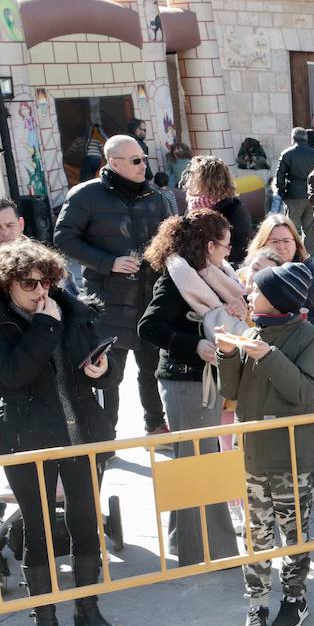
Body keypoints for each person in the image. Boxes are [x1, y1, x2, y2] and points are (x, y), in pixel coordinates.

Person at [0, 239, 118, 626]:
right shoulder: (9, 321)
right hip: (26, 440)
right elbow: (13, 374)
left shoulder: (73, 310)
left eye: (47, 281)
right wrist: (45, 326)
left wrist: (102, 372)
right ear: (8, 284)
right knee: (39, 527)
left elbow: (102, 366)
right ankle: (44, 618)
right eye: (29, 283)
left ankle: (88, 608)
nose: (40, 291)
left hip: (80, 433)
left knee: (86, 521)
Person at [214, 262, 314, 626]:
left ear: (277, 300)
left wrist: (268, 356)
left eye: (256, 291)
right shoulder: (253, 331)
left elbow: (307, 395)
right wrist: (228, 353)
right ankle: (257, 604)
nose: (248, 295)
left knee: (294, 534)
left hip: (292, 458)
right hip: (253, 456)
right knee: (255, 534)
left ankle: (295, 598)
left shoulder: (309, 336)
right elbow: (231, 392)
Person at [138, 210, 241, 566]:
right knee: (198, 464)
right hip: (184, 379)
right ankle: (205, 552)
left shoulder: (208, 274)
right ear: (210, 245)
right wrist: (195, 343)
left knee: (196, 462)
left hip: (200, 379)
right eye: (226, 245)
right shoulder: (176, 277)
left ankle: (191, 548)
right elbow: (148, 328)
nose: (230, 252)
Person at [53, 133, 174, 436]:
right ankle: (106, 434)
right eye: (136, 160)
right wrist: (109, 262)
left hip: (150, 298)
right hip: (106, 302)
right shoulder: (84, 195)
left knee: (151, 368)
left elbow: (172, 241)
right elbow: (63, 239)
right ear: (114, 162)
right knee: (108, 373)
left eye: (144, 158)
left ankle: (155, 425)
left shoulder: (156, 198)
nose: (143, 165)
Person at [245, 214, 314, 336]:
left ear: (296, 243)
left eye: (286, 241)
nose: (281, 247)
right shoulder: (255, 273)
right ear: (263, 244)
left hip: (310, 343)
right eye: (274, 241)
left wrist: (304, 327)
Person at [183, 155, 252, 263]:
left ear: (206, 180)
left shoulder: (233, 210)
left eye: (193, 175)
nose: (189, 180)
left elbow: (239, 249)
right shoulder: (193, 206)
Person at [275, 127, 314, 259]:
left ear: (292, 138)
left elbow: (280, 176)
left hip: (293, 195)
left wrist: (281, 192)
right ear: (306, 139)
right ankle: (307, 255)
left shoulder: (287, 154)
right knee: (309, 228)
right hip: (310, 195)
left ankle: (294, 254)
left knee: (292, 228)